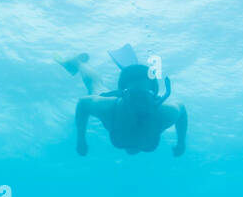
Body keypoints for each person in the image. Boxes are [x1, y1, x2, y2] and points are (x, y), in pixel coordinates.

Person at [58, 46, 187, 157]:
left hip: (120, 104)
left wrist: (81, 140)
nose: (139, 103)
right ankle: (78, 63)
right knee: (95, 85)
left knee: (96, 86)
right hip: (117, 105)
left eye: (144, 95)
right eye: (134, 95)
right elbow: (82, 104)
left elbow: (181, 110)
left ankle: (79, 63)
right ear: (122, 94)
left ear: (155, 96)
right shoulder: (108, 107)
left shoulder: (165, 113)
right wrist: (80, 139)